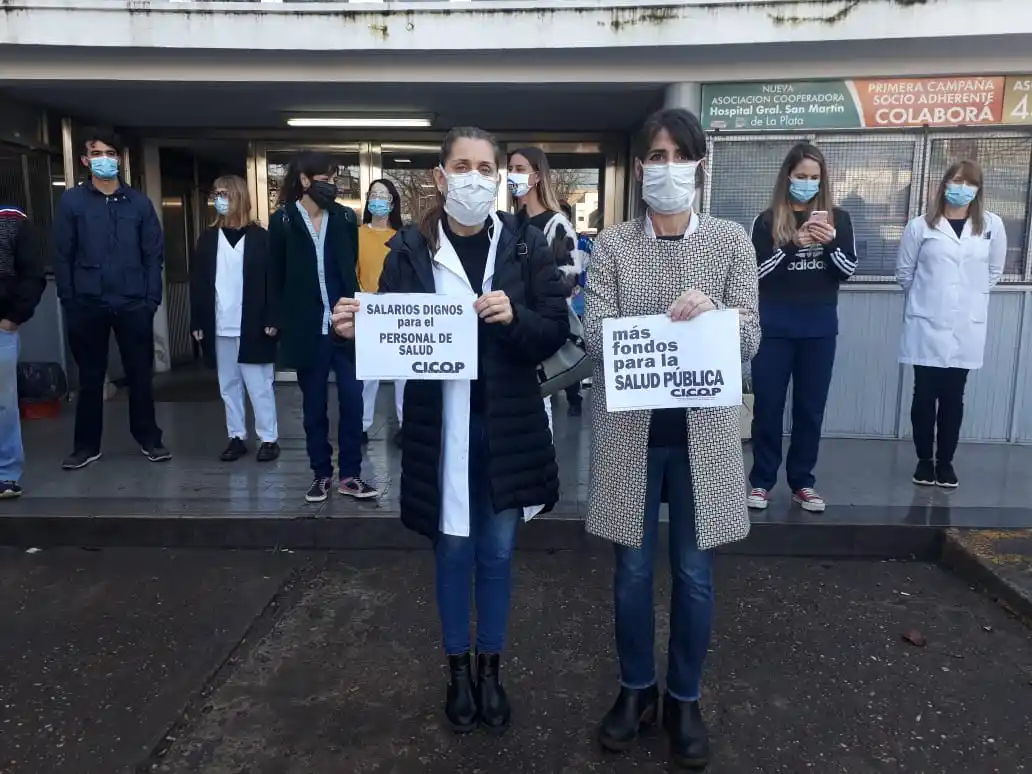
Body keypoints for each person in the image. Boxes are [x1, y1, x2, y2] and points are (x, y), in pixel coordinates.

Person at [331, 126, 569, 735]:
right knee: (452, 552)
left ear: (499, 179)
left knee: (495, 552)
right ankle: (456, 671)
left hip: (507, 426)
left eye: (485, 168)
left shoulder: (524, 245)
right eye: (461, 166)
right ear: (440, 178)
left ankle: (492, 668)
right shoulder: (409, 248)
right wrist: (358, 325)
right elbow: (390, 339)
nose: (473, 177)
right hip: (441, 430)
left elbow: (554, 332)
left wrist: (516, 317)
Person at [583, 108, 760, 771]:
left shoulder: (730, 242)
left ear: (699, 166)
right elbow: (594, 335)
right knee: (631, 573)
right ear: (638, 168)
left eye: (676, 155)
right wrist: (655, 326)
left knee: (693, 574)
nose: (665, 167)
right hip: (632, 432)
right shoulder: (613, 245)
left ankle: (684, 696)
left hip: (701, 437)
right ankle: (636, 689)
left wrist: (716, 316)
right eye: (654, 156)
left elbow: (750, 336)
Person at [746, 143, 858, 513]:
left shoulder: (838, 220)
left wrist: (827, 245)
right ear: (788, 177)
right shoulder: (766, 222)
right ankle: (761, 481)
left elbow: (847, 271)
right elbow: (755, 276)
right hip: (774, 327)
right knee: (769, 407)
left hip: (819, 328)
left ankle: (803, 483)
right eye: (801, 177)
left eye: (814, 178)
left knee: (810, 409)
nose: (807, 183)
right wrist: (793, 245)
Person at [53, 132, 170, 469]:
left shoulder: (139, 203)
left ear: (119, 159)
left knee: (140, 376)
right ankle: (86, 446)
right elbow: (63, 255)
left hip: (134, 302)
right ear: (85, 161)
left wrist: (150, 299)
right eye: (97, 153)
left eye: (110, 153)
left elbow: (153, 256)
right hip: (87, 303)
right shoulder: (72, 202)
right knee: (90, 378)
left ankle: (150, 439)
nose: (105, 158)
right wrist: (69, 299)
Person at [269, 151, 379, 503]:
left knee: (353, 401)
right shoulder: (283, 220)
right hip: (305, 328)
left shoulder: (346, 217)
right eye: (325, 179)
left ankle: (351, 474)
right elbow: (275, 274)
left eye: (334, 179)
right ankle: (320, 474)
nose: (331, 186)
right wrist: (274, 319)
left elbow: (350, 267)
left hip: (345, 328)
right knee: (314, 406)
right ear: (304, 180)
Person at [896, 159, 1005, 489]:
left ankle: (945, 463)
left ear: (978, 189)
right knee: (924, 394)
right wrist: (931, 300)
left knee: (954, 396)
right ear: (944, 184)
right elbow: (904, 273)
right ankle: (923, 462)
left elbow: (994, 272)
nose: (962, 188)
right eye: (956, 181)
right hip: (926, 324)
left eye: (969, 183)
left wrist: (966, 300)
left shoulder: (991, 225)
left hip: (966, 326)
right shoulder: (921, 226)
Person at [190, 175, 280, 463]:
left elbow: (273, 283)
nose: (220, 199)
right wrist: (198, 322)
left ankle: (268, 438)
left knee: (259, 384)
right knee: (228, 385)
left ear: (240, 197)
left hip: (253, 323)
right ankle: (236, 436)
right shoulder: (207, 238)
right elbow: (198, 283)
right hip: (219, 323)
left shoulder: (261, 238)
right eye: (216, 194)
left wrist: (273, 317)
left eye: (226, 194)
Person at [507, 147, 584, 417]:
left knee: (537, 411)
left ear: (537, 176)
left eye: (519, 169)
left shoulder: (556, 223)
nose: (512, 175)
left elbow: (569, 276)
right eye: (510, 169)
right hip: (509, 331)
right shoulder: (508, 223)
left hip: (538, 331)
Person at [0, 205, 45, 498]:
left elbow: (32, 274)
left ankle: (5, 474)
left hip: (1, 327)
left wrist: (12, 319)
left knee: (3, 405)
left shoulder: (11, 219)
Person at [357, 178, 405, 447]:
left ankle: (405, 425)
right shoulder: (357, 234)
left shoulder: (402, 236)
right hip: (367, 310)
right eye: (373, 194)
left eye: (383, 195)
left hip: (397, 311)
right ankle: (361, 425)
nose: (378, 199)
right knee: (368, 375)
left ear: (392, 202)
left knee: (402, 374)